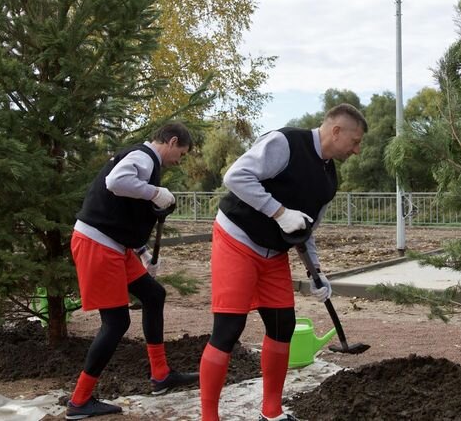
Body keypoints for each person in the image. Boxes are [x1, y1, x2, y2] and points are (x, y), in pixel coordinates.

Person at [199, 104, 367, 421]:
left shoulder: (329, 179)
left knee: (282, 325)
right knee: (228, 329)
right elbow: (234, 176)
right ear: (336, 131)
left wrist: (316, 272)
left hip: (273, 252)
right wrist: (279, 212)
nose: (356, 150)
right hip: (237, 238)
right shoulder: (285, 143)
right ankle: (209, 417)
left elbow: (306, 229)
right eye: (355, 141)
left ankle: (272, 412)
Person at [66, 122, 200, 420]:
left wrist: (142, 252)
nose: (180, 159)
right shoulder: (143, 157)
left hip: (116, 245)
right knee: (116, 322)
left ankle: (161, 375)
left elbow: (123, 210)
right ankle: (79, 401)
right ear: (172, 141)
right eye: (182, 152)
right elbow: (116, 182)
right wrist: (155, 192)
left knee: (154, 295)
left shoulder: (147, 162)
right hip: (96, 244)